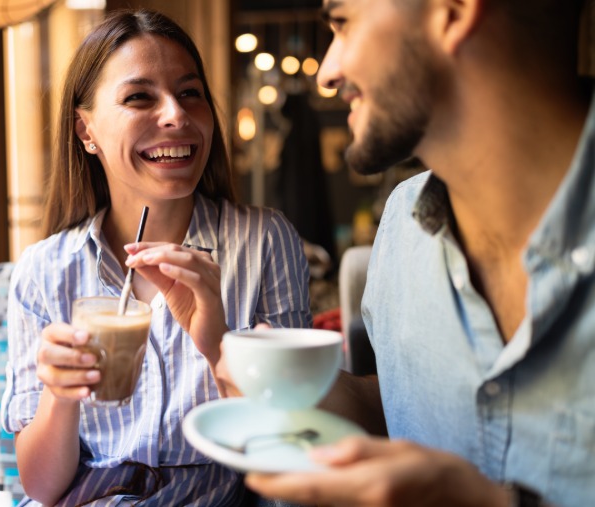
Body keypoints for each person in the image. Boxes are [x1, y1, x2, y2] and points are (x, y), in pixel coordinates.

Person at [240, 0, 594, 506]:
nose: (328, 71)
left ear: (453, 12)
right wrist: (300, 388)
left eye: (342, 23)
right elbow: (404, 405)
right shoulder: (403, 220)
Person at [1, 9, 312, 507]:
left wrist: (218, 347)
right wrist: (60, 396)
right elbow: (42, 487)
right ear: (86, 131)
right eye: (139, 97)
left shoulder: (265, 242)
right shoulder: (43, 271)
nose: (177, 115)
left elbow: (292, 442)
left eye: (190, 93)